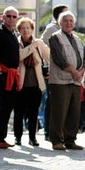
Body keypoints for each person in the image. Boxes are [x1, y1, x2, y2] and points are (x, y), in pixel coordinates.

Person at [48, 11, 85, 151]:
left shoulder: (77, 38)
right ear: (60, 23)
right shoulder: (55, 37)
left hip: (75, 81)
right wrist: (73, 71)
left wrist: (81, 71)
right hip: (60, 81)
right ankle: (56, 140)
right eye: (65, 20)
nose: (68, 23)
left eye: (71, 20)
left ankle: (70, 140)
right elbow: (58, 58)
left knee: (74, 112)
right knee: (59, 112)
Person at [14, 17, 50, 147]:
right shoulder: (16, 43)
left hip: (36, 84)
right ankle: (17, 137)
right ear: (19, 30)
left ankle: (32, 137)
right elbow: (19, 56)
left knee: (33, 112)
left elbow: (49, 56)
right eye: (23, 28)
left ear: (32, 29)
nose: (25, 31)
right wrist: (31, 47)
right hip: (20, 84)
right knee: (19, 112)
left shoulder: (38, 43)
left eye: (28, 28)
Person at [0, 6, 21, 148]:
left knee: (8, 108)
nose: (11, 19)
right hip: (2, 74)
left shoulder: (14, 33)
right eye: (9, 16)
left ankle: (2, 137)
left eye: (14, 17)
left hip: (13, 76)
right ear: (3, 17)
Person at [41, 4, 69, 141]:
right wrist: (46, 67)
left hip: (65, 72)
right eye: (66, 14)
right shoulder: (51, 29)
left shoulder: (66, 30)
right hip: (52, 70)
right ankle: (48, 131)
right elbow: (45, 49)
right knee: (51, 102)